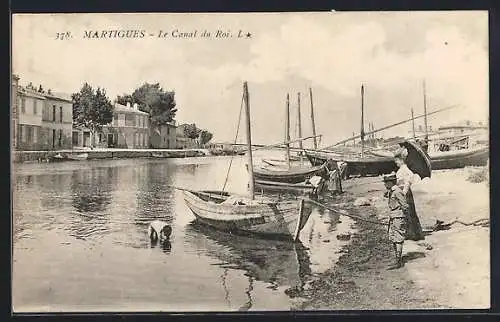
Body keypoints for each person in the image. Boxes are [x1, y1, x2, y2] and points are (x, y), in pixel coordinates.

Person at [394, 148, 424, 241]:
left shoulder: (404, 169)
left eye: (397, 161)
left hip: (405, 192)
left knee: (408, 211)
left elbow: (410, 178)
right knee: (406, 211)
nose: (396, 163)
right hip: (403, 191)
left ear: (401, 160)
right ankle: (411, 232)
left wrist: (404, 191)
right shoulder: (401, 169)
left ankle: (413, 233)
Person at [383, 173, 409, 270]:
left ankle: (398, 261)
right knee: (393, 237)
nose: (385, 185)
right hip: (394, 217)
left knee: (398, 238)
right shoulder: (392, 191)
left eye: (386, 183)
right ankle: (397, 258)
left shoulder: (397, 191)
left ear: (390, 182)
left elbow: (405, 205)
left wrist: (404, 217)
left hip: (398, 217)